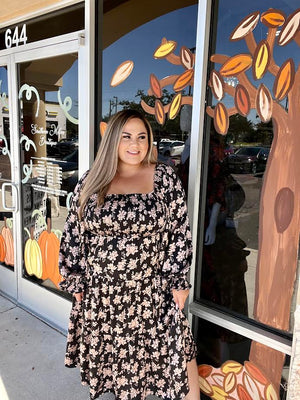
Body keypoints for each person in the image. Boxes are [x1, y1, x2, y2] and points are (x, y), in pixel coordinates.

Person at [59, 109, 199, 400]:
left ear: (149, 141)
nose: (135, 144)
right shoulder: (92, 179)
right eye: (126, 137)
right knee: (118, 366)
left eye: (141, 137)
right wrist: (76, 280)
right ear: (113, 140)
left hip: (151, 292)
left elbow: (179, 229)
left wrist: (177, 280)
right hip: (104, 295)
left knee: (177, 357)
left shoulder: (163, 178)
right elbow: (74, 232)